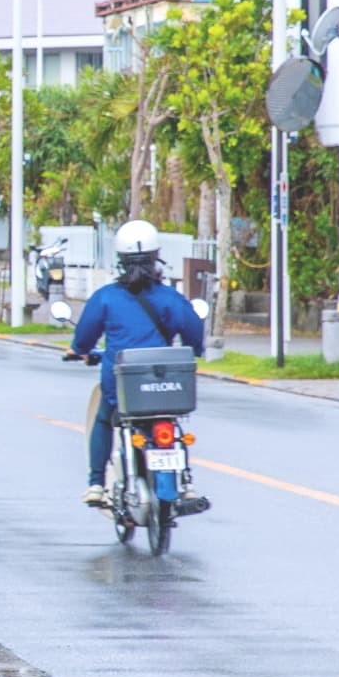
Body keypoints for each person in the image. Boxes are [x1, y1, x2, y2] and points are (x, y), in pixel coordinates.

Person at [68, 219, 210, 512]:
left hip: (122, 385)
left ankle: (96, 483)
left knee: (105, 419)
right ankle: (186, 481)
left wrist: (80, 350)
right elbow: (193, 332)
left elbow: (84, 337)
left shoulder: (105, 297)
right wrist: (196, 349)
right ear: (156, 256)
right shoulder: (170, 298)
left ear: (120, 259)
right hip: (167, 383)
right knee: (171, 423)